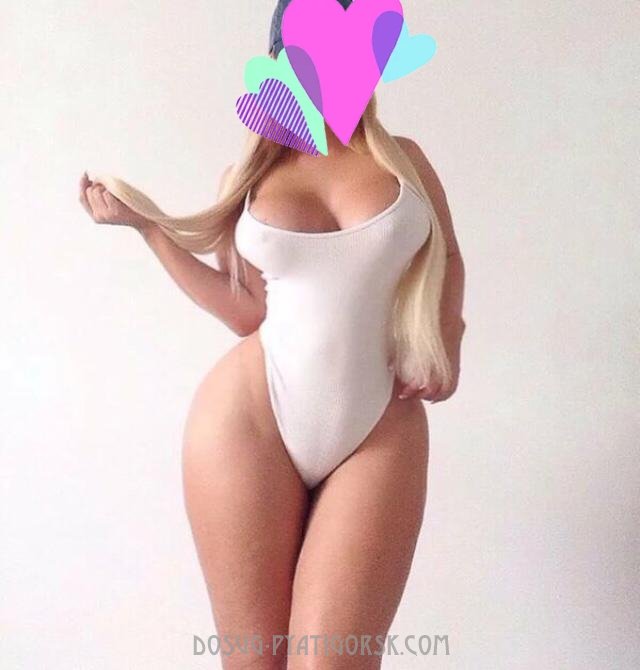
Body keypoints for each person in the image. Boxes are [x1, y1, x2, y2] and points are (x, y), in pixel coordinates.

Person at [78, 2, 466, 667]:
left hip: (379, 425)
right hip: (249, 421)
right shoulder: (250, 180)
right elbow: (243, 312)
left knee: (334, 659)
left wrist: (447, 341)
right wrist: (149, 230)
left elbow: (449, 256)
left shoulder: (407, 162)